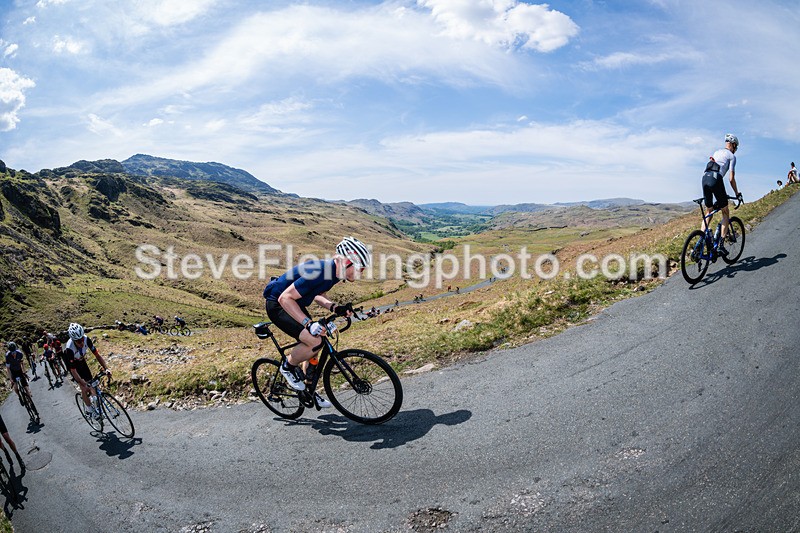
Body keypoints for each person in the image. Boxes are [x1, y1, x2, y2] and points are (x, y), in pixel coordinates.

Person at [262, 237, 370, 407]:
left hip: (293, 303)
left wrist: (335, 307)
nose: (361, 273)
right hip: (278, 304)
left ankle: (308, 390)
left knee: (318, 341)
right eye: (360, 268)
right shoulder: (321, 270)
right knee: (314, 340)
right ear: (348, 262)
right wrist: (308, 323)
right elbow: (285, 298)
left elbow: (317, 293)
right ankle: (287, 367)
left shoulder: (334, 273)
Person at [701, 133, 743, 256]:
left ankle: (701, 240)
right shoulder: (731, 156)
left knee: (709, 211)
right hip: (716, 178)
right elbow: (731, 179)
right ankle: (721, 245)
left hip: (704, 178)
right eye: (736, 147)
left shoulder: (716, 152)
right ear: (734, 145)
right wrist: (737, 193)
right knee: (725, 212)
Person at [63, 323, 112, 420]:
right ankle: (89, 409)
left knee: (92, 384)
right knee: (84, 387)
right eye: (78, 341)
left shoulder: (86, 339)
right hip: (73, 366)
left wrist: (106, 368)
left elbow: (97, 355)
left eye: (82, 339)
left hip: (82, 361)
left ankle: (96, 406)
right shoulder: (69, 349)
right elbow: (73, 370)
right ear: (73, 340)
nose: (81, 343)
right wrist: (82, 382)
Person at [5, 342, 33, 406]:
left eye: (14, 351)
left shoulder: (19, 353)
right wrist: (10, 379)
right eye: (12, 352)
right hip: (13, 371)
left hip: (19, 369)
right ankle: (19, 396)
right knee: (15, 386)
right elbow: (8, 368)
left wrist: (24, 371)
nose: (13, 353)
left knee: (25, 385)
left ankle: (29, 397)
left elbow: (21, 363)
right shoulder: (7, 356)